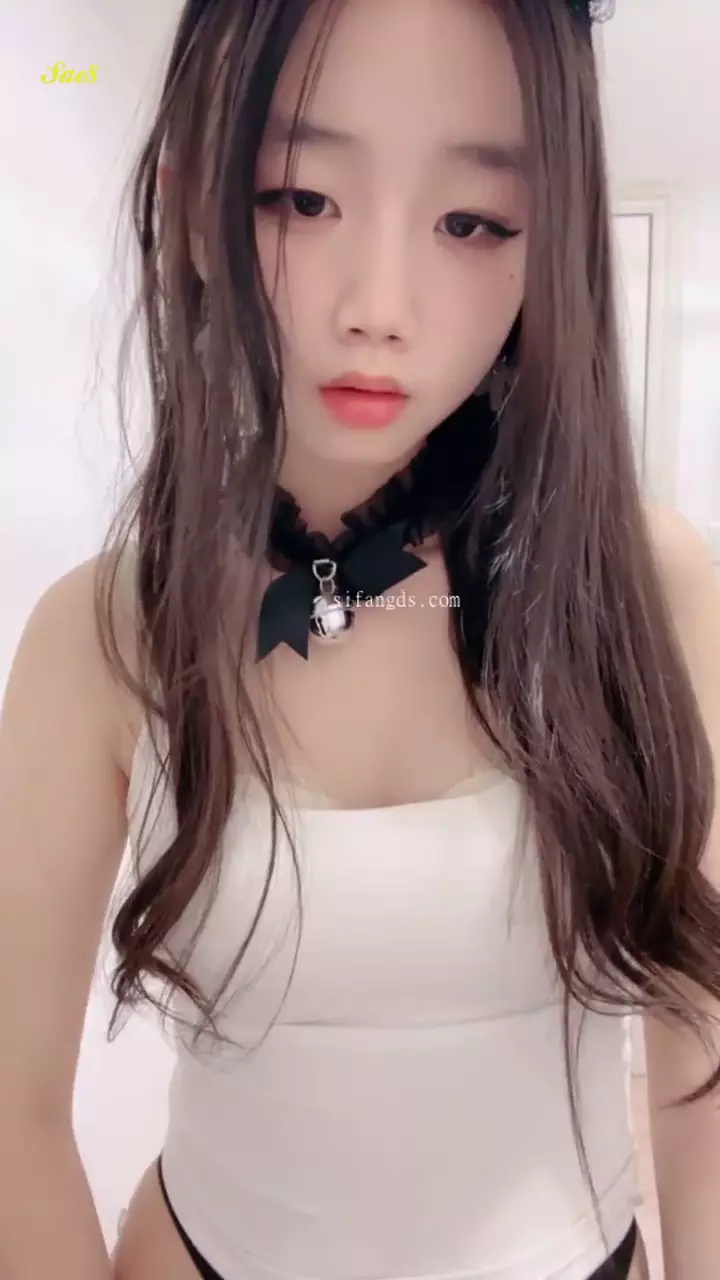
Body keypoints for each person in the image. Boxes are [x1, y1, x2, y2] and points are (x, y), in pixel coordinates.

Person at [1, 0, 720, 1277]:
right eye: (300, 198)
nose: (379, 306)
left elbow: (703, 1070)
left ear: (549, 240)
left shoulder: (647, 590)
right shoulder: (102, 637)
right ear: (190, 205)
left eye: (472, 221)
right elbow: (12, 1111)